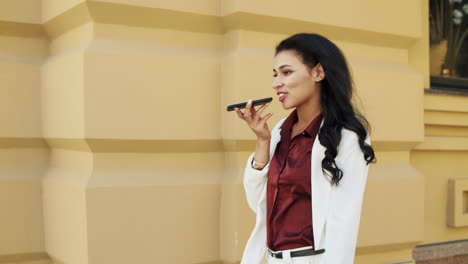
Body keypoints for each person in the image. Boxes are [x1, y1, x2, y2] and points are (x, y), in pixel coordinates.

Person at [233, 33, 376, 264]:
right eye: (275, 74)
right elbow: (259, 203)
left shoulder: (347, 137)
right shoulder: (281, 131)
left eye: (286, 72)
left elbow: (344, 220)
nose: (276, 83)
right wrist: (262, 142)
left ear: (318, 73)